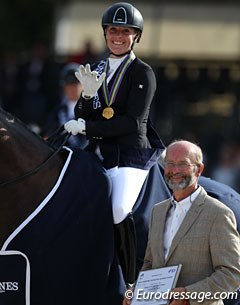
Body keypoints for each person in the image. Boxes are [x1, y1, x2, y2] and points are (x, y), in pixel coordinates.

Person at [64, 2, 164, 288]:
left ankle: (131, 280)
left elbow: (132, 122)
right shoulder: (96, 68)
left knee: (119, 208)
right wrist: (86, 97)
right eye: (113, 31)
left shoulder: (143, 73)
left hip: (131, 153)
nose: (118, 37)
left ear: (136, 37)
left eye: (125, 32)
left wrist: (88, 127)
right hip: (99, 151)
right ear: (105, 33)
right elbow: (82, 114)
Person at [123, 140, 240, 305]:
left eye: (183, 164)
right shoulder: (158, 211)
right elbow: (150, 264)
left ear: (199, 169)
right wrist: (136, 291)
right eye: (170, 164)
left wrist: (188, 294)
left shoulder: (219, 214)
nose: (175, 170)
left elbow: (233, 274)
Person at [42, 62, 87, 149]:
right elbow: (49, 135)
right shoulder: (58, 111)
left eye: (75, 84)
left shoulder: (91, 109)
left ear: (83, 85)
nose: (71, 88)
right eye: (68, 85)